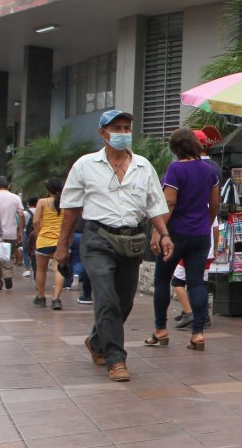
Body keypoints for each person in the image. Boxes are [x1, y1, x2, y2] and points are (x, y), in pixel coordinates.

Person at [57, 109, 171, 383]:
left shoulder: (143, 166)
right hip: (97, 239)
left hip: (132, 241)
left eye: (126, 128)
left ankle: (96, 340)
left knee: (124, 302)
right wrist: (62, 246)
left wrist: (164, 234)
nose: (122, 133)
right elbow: (71, 208)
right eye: (116, 128)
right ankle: (116, 359)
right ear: (103, 133)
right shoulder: (85, 165)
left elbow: (155, 204)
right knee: (106, 298)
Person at [146, 128, 220, 352]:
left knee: (162, 280)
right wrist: (206, 223)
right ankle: (197, 334)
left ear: (176, 148)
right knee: (196, 282)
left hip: (176, 234)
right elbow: (215, 203)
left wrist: (159, 233)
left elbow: (169, 203)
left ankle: (160, 330)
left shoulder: (175, 169)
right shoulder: (210, 170)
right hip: (200, 234)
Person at [32, 178, 67, 309]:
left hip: (44, 240)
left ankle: (41, 297)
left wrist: (38, 234)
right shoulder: (65, 202)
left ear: (48, 190)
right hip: (60, 241)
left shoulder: (42, 202)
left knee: (41, 270)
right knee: (58, 270)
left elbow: (36, 221)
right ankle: (56, 299)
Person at [0, 177, 25, 291]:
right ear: (8, 186)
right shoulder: (15, 197)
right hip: (11, 232)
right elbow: (21, 214)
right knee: (8, 255)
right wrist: (20, 230)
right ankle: (8, 274)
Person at [21, 197, 37, 277]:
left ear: (28, 204)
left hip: (26, 232)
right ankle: (36, 268)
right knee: (37, 250)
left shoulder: (24, 213)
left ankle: (27, 270)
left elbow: (22, 224)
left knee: (25, 251)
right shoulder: (40, 210)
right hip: (37, 232)